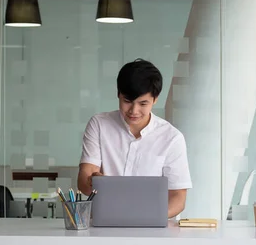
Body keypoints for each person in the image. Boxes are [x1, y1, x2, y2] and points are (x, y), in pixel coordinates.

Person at [78, 59, 192, 218]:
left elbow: (178, 197)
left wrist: (148, 216)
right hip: (105, 223)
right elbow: (84, 180)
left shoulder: (172, 138)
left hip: (152, 228)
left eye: (143, 104)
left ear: (155, 99)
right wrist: (92, 181)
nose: (134, 111)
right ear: (118, 94)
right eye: (127, 101)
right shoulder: (99, 125)